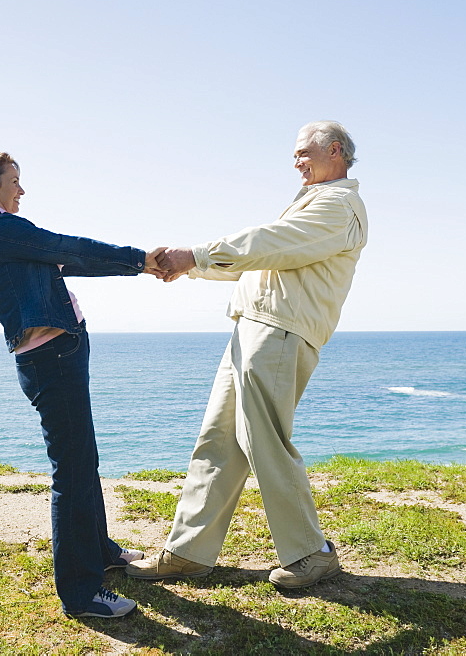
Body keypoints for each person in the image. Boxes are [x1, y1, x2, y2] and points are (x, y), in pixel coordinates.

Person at [128, 121, 368, 588]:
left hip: (279, 332)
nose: (296, 161)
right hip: (257, 328)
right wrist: (190, 267)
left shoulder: (340, 206)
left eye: (304, 152)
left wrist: (192, 255)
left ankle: (311, 553)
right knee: (219, 440)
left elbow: (268, 245)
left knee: (264, 440)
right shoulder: (318, 203)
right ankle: (188, 552)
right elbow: (264, 263)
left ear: (334, 150)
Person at [0, 149, 160, 618]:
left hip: (50, 355)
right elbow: (67, 248)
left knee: (83, 457)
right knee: (73, 470)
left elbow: (67, 261)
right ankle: (82, 594)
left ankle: (99, 550)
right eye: (14, 180)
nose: (21, 189)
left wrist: (137, 265)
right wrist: (142, 259)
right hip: (52, 358)